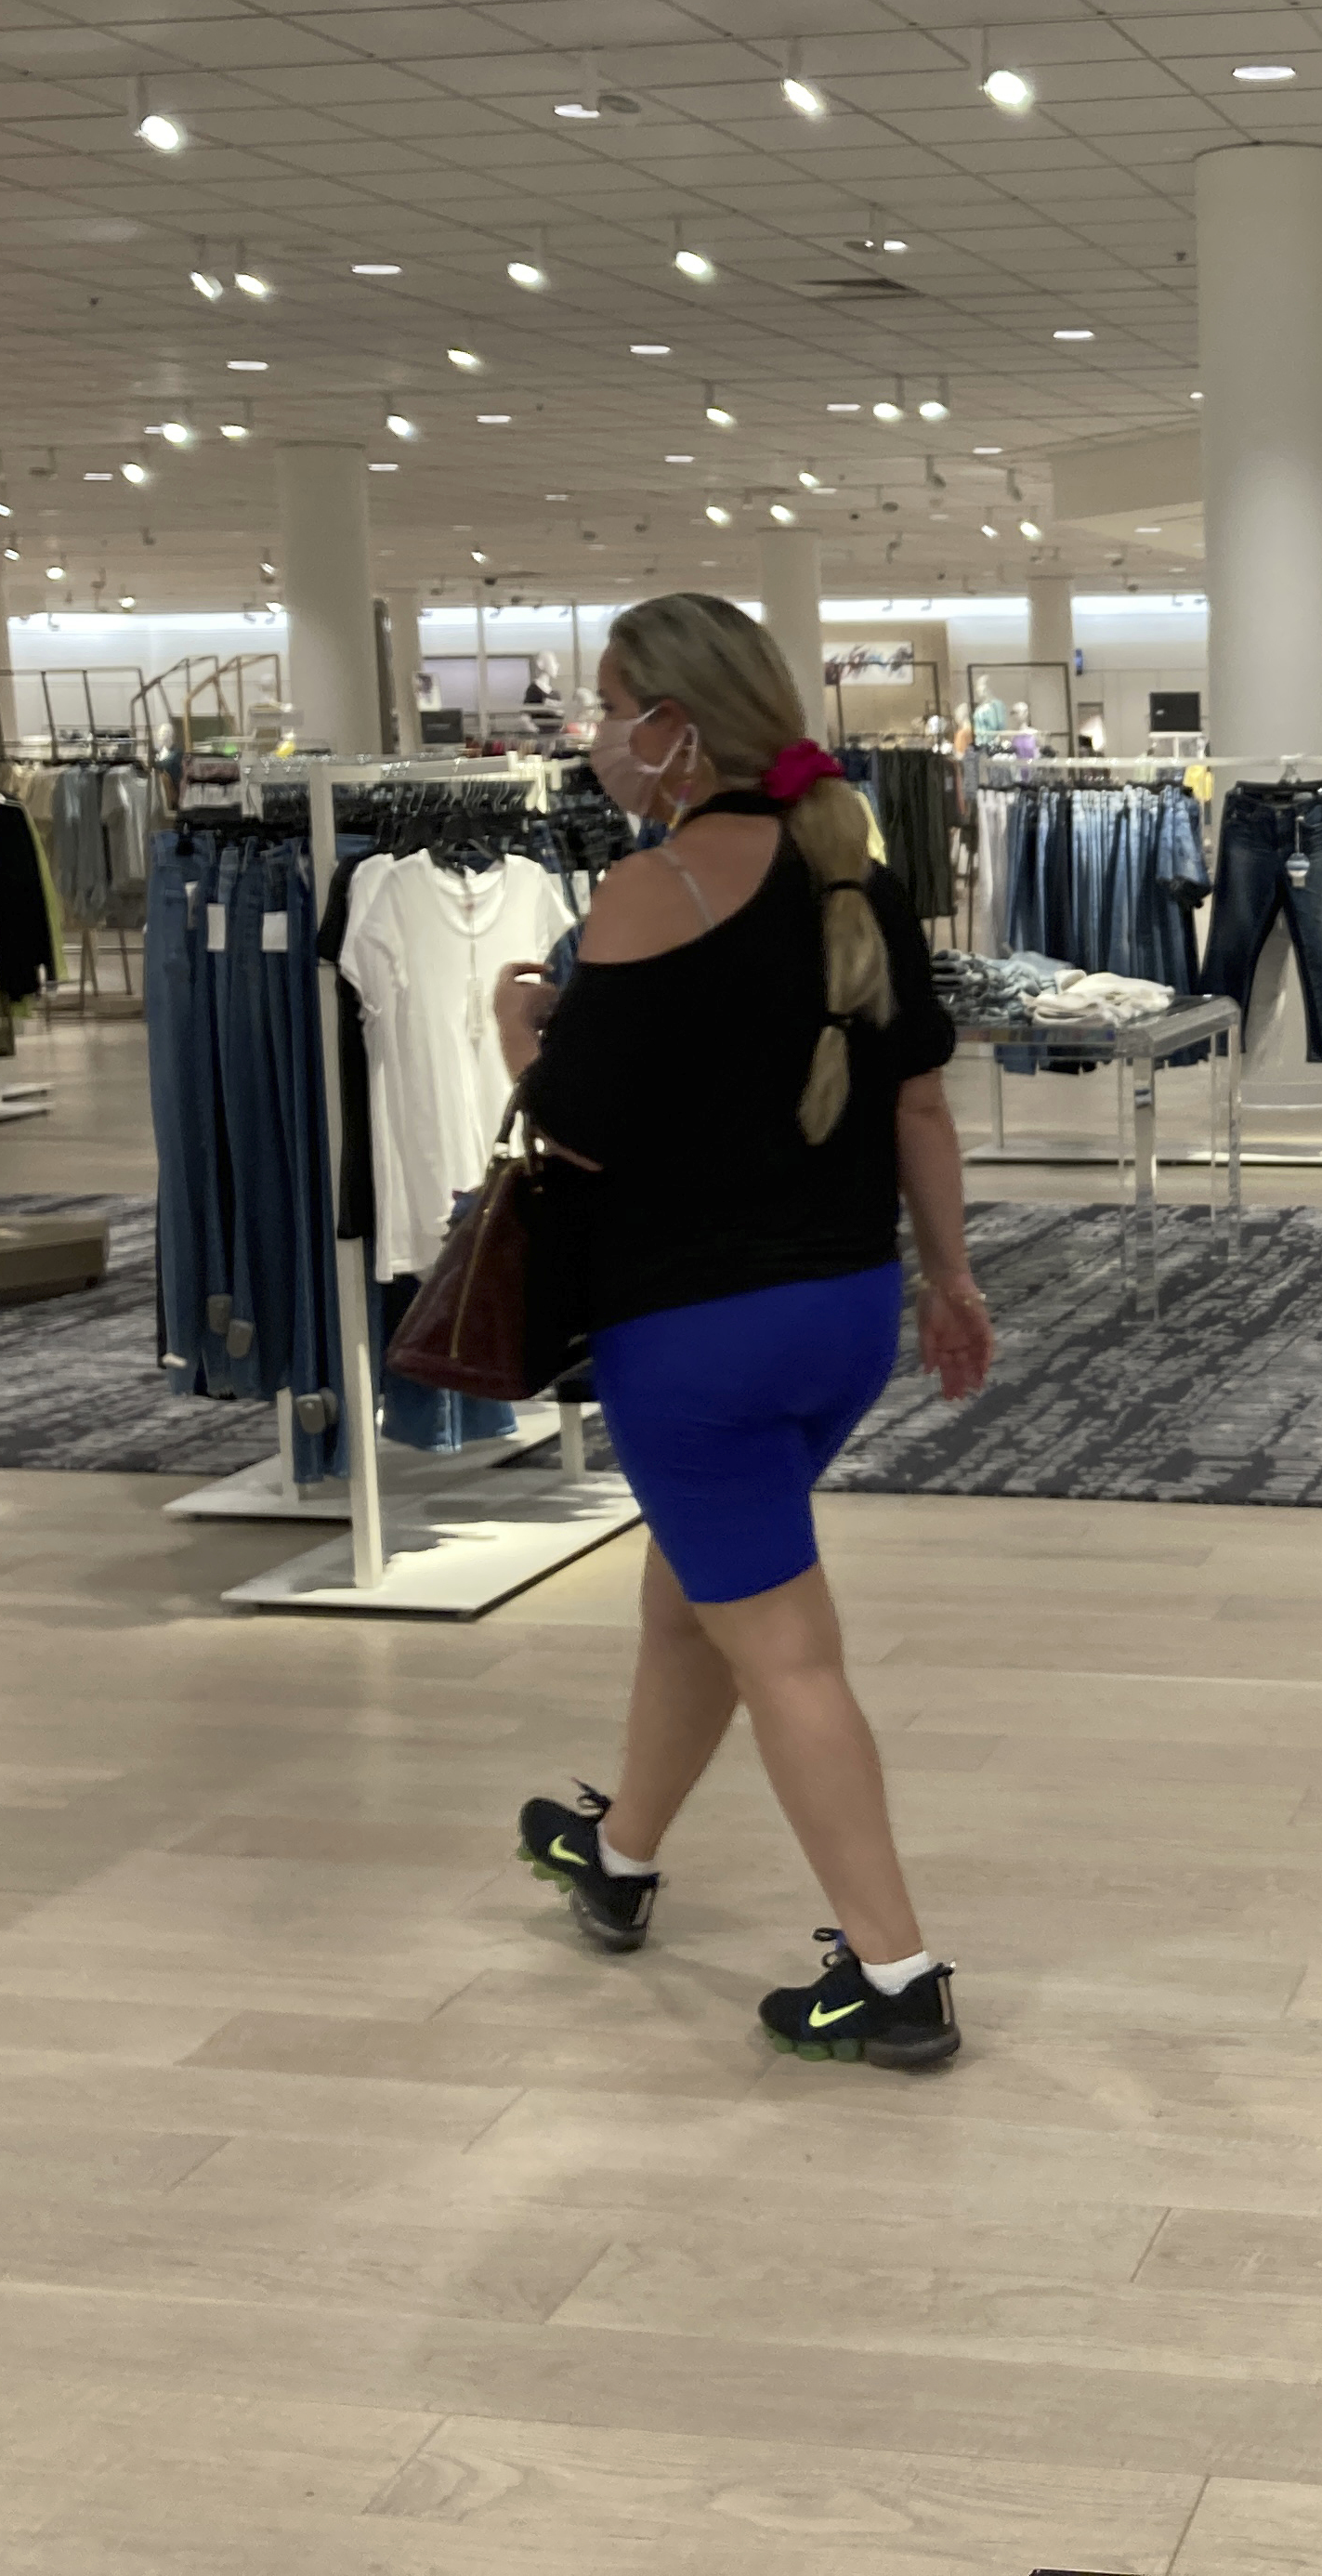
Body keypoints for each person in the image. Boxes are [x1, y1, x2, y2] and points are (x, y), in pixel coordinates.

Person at [495, 592, 994, 2069]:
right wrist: (951, 1281)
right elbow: (916, 1101)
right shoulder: (855, 881)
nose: (594, 738)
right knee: (693, 1594)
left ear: (672, 725)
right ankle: (622, 1854)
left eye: (604, 708)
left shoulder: (652, 892)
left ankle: (895, 1976)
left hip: (692, 1337)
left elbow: (573, 1131)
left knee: (783, 1648)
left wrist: (519, 1021)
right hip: (837, 1314)